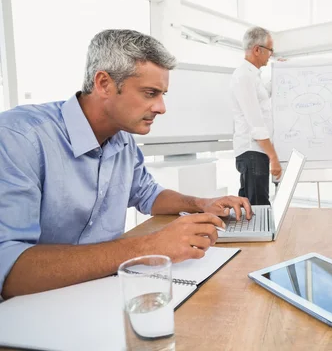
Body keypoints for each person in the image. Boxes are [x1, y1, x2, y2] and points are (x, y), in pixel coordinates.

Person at [0, 29, 252, 299]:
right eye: (150, 93)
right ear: (104, 83)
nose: (161, 107)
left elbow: (148, 194)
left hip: (102, 289)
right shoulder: (19, 138)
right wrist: (148, 247)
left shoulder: (123, 139)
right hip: (36, 304)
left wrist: (200, 204)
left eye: (162, 94)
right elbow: (10, 270)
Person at [231, 27, 282, 205]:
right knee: (259, 206)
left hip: (256, 152)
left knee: (252, 207)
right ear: (257, 50)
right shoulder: (244, 76)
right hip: (253, 151)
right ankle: (259, 235)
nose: (271, 55)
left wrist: (279, 73)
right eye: (270, 50)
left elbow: (263, 97)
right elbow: (256, 124)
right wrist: (273, 157)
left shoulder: (253, 76)